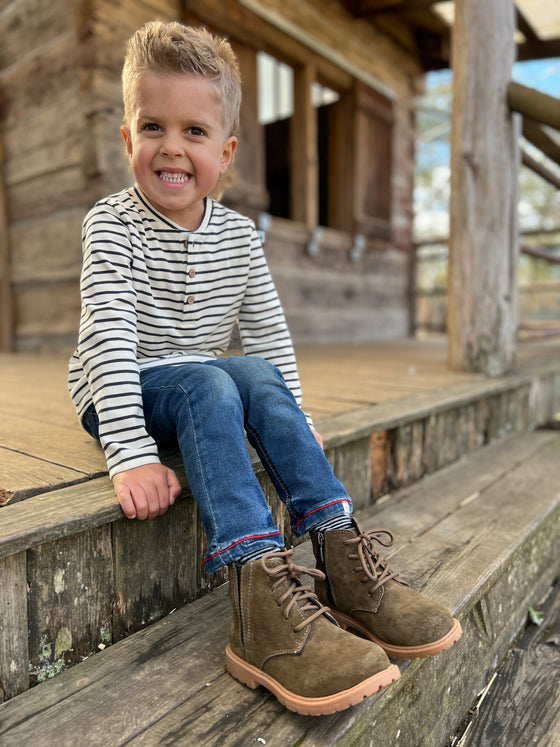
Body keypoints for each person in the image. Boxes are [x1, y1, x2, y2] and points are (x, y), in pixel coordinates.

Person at [68, 20, 461, 716]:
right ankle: (257, 602)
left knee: (249, 372)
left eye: (194, 132)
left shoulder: (240, 238)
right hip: (121, 388)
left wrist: (294, 427)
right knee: (213, 379)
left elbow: (272, 342)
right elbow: (106, 339)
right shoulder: (110, 224)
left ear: (227, 151)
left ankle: (342, 560)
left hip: (204, 385)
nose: (172, 147)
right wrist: (129, 453)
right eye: (152, 125)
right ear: (128, 138)